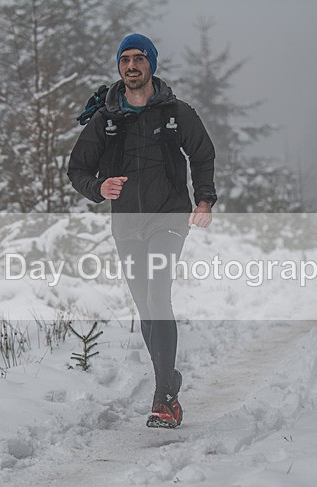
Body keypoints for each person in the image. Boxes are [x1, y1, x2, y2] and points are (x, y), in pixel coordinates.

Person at [68, 34, 217, 429]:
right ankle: (169, 380)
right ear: (119, 66)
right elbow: (77, 169)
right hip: (126, 225)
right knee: (145, 307)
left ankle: (163, 397)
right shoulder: (106, 119)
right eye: (125, 60)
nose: (131, 66)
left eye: (139, 58)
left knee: (156, 295)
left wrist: (204, 200)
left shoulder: (177, 113)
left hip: (169, 217)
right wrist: (98, 187)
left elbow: (202, 154)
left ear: (151, 63)